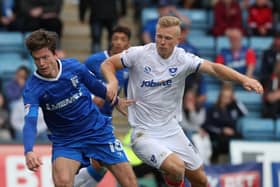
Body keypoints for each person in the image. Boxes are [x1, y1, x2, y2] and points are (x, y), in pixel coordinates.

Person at [101, 16, 263, 187]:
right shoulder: (139, 54)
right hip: (144, 133)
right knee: (177, 168)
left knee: (200, 180)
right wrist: (113, 83)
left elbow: (214, 68)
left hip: (171, 130)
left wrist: (243, 79)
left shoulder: (183, 59)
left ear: (178, 40)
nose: (162, 42)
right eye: (159, 36)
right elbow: (107, 64)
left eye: (167, 38)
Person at [22, 29, 137, 187]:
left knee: (130, 182)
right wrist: (29, 150)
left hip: (97, 131)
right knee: (62, 183)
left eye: (45, 57)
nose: (41, 63)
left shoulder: (74, 67)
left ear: (55, 54)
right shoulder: (33, 88)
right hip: (66, 141)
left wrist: (116, 101)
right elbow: (30, 121)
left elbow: (96, 87)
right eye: (36, 59)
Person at [74, 25, 131, 187]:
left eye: (123, 39)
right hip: (83, 118)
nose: (118, 42)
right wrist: (93, 96)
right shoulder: (95, 61)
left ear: (128, 43)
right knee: (92, 162)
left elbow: (125, 92)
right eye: (115, 38)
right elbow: (77, 83)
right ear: (110, 40)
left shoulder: (127, 67)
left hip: (104, 121)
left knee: (101, 165)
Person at [201, 83, 246, 163]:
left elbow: (244, 112)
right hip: (218, 136)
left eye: (229, 97)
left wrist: (235, 100)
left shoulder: (233, 109)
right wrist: (222, 130)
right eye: (225, 96)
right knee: (223, 142)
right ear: (220, 96)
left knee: (241, 137)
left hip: (232, 136)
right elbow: (206, 125)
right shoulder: (212, 109)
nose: (226, 99)